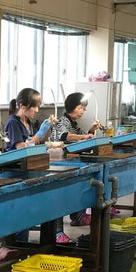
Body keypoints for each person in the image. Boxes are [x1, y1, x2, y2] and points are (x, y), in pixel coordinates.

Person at [3, 88, 71, 245]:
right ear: (22, 106)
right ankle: (17, 246)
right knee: (21, 214)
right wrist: (39, 134)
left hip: (30, 169)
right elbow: (21, 148)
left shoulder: (28, 123)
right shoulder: (13, 123)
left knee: (31, 211)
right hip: (15, 173)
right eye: (33, 106)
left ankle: (29, 244)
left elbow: (39, 142)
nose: (36, 110)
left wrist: (48, 129)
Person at [52, 92, 100, 226]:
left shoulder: (73, 123)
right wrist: (85, 137)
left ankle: (78, 215)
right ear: (72, 106)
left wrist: (91, 130)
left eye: (84, 109)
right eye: (80, 107)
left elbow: (83, 135)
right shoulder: (62, 121)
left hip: (70, 160)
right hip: (59, 162)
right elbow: (65, 136)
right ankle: (67, 222)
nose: (82, 112)